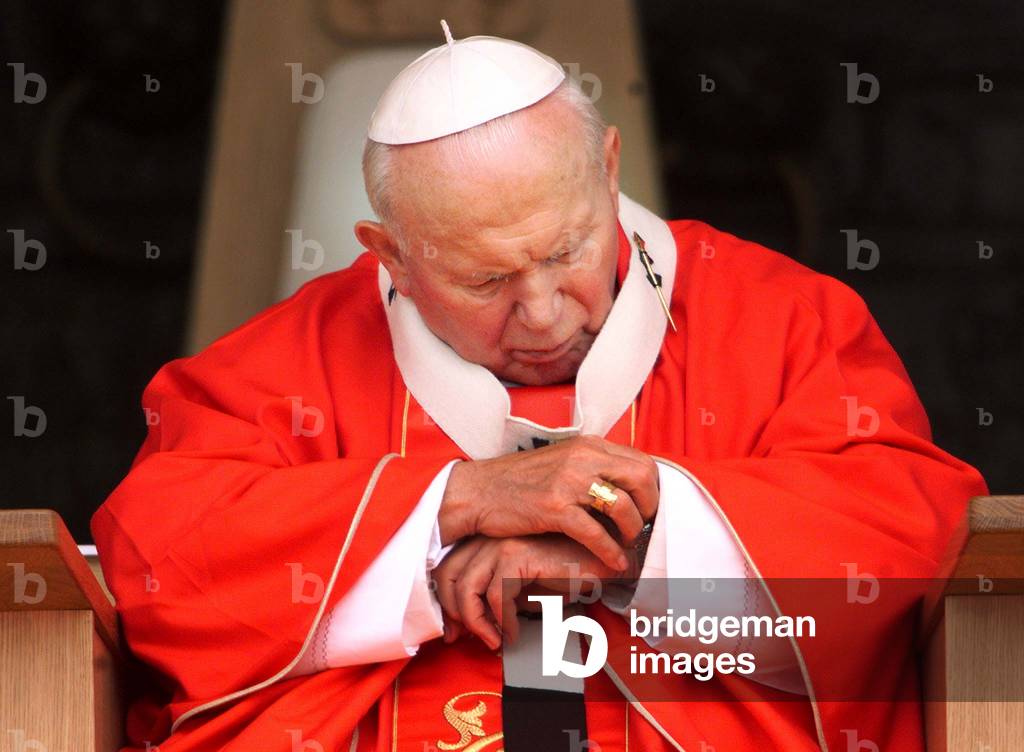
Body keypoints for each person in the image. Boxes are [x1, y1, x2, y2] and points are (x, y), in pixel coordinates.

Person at [93, 23, 988, 752]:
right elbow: (161, 562)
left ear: (607, 169)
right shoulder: (279, 368)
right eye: (486, 282)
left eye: (566, 253)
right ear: (391, 254)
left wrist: (630, 548)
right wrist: (452, 508)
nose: (544, 313)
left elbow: (909, 539)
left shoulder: (786, 322)